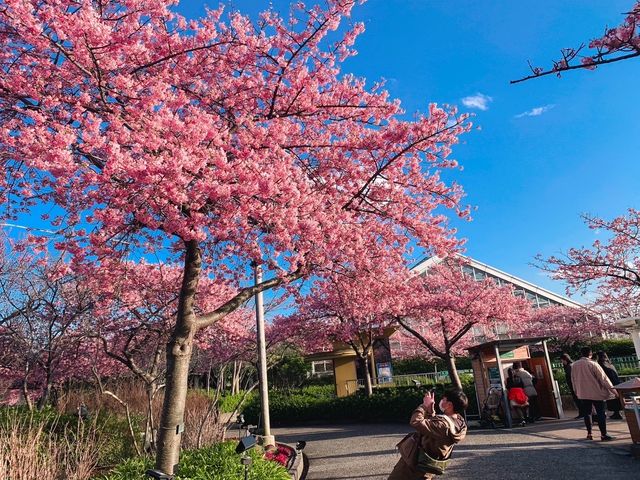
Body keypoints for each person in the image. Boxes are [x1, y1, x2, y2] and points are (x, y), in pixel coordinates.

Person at [388, 389, 468, 480]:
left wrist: (424, 406)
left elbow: (416, 422)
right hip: (428, 465)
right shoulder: (459, 422)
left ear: (449, 405)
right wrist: (431, 412)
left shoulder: (442, 425)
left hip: (415, 464)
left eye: (444, 399)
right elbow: (435, 432)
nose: (441, 400)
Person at [571, 346, 618, 441]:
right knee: (600, 412)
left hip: (582, 393)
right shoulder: (593, 364)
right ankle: (604, 434)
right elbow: (604, 379)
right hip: (597, 392)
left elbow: (573, 380)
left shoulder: (574, 365)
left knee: (587, 413)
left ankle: (589, 433)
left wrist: (576, 391)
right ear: (590, 354)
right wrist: (614, 391)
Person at [596, 351, 623, 420]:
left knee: (612, 399)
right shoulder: (609, 364)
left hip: (609, 383)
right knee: (616, 399)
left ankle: (616, 413)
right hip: (616, 383)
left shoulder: (601, 365)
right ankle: (617, 413)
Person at [560, 353, 582, 419]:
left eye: (561, 360)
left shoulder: (569, 366)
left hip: (574, 386)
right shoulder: (571, 365)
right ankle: (582, 413)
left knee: (578, 400)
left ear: (564, 359)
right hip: (574, 386)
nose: (561, 362)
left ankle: (582, 413)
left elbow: (572, 377)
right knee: (578, 400)